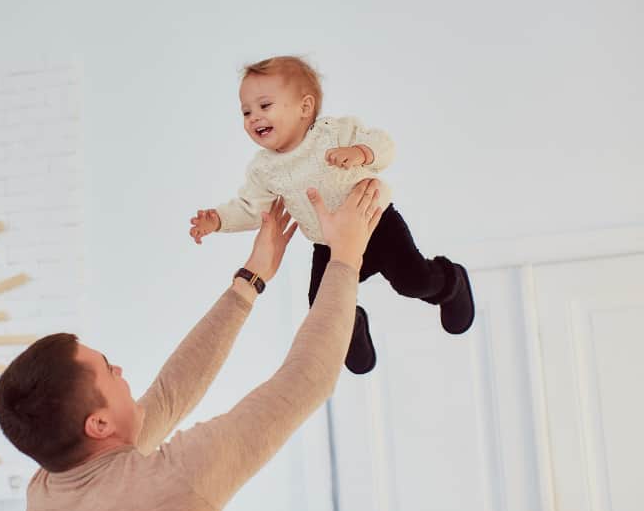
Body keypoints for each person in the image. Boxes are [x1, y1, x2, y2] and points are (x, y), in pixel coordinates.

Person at [0, 179, 382, 511]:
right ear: (97, 424)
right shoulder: (174, 480)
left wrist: (251, 278)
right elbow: (304, 381)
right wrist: (346, 255)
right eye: (108, 370)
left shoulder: (44, 493)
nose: (119, 369)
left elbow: (168, 395)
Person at [188, 55, 475, 374]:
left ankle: (451, 281)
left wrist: (360, 153)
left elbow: (384, 144)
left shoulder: (333, 133)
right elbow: (251, 209)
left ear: (305, 107)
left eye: (264, 106)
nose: (254, 117)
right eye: (246, 112)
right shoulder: (265, 169)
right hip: (330, 246)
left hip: (377, 225)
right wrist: (217, 220)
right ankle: (352, 328)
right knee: (323, 309)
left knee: (413, 281)